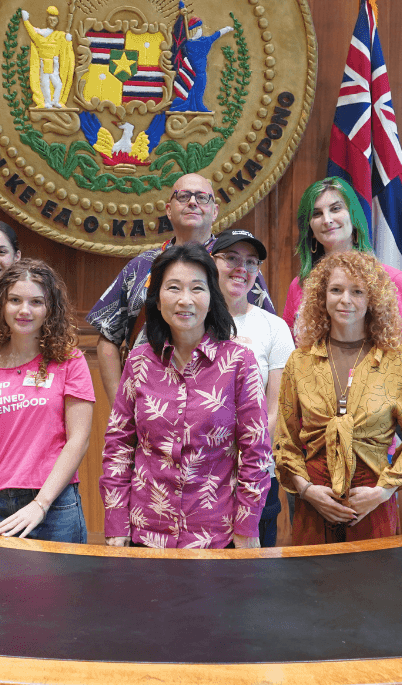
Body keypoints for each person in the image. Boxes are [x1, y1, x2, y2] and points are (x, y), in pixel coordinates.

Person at [100, 243, 270, 549]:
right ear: (158, 297)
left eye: (197, 289)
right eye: (173, 288)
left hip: (217, 536)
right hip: (145, 534)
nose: (185, 300)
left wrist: (247, 526)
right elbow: (118, 446)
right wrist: (115, 520)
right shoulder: (139, 362)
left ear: (211, 297)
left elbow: (256, 452)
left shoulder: (239, 362)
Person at [275, 250, 402, 545]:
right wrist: (306, 490)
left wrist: (382, 492)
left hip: (372, 505)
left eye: (357, 291)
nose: (345, 300)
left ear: (373, 299)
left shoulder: (396, 363)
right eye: (336, 290)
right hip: (315, 504)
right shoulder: (300, 361)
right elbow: (285, 438)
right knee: (311, 588)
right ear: (322, 296)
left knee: (372, 589)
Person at [87, 172, 275, 402]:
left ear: (215, 211)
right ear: (168, 209)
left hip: (218, 401)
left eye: (202, 197)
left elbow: (266, 331)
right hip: (148, 401)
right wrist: (121, 406)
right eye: (183, 196)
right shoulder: (140, 266)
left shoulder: (236, 266)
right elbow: (107, 337)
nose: (193, 202)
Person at [0, 259, 94, 542]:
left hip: (54, 504)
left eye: (36, 302)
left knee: (62, 587)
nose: (24, 310)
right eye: (15, 300)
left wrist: (40, 505)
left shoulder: (69, 362)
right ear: (1, 305)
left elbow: (78, 440)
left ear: (50, 309)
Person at [285, 177, 402, 400]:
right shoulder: (300, 286)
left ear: (354, 216)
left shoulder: (391, 279)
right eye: (317, 213)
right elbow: (292, 355)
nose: (327, 220)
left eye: (336, 209)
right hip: (314, 415)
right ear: (309, 228)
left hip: (375, 416)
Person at [212, 229, 294, 548]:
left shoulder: (273, 328)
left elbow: (275, 411)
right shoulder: (190, 323)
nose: (241, 268)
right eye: (231, 258)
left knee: (254, 587)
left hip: (256, 477)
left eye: (251, 262)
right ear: (210, 262)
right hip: (198, 480)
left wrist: (245, 463)